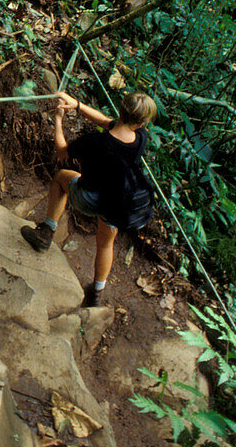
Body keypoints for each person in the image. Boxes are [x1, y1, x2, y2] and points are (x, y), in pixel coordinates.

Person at [20, 90, 157, 307]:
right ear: (141, 123)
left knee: (61, 178)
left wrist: (58, 121)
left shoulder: (96, 141)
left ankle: (46, 232)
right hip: (117, 203)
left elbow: (62, 152)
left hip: (89, 198)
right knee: (105, 244)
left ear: (120, 110)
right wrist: (76, 104)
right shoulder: (141, 138)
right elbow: (105, 121)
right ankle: (96, 293)